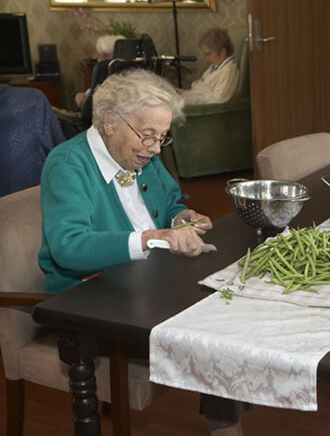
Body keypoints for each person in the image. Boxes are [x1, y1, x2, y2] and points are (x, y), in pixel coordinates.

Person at [39, 68, 248, 436]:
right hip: (89, 302)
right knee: (215, 334)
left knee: (231, 310)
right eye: (147, 135)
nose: (154, 148)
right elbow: (68, 247)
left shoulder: (142, 157)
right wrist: (155, 238)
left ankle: (226, 425)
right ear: (109, 122)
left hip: (146, 284)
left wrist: (182, 216)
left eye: (162, 138)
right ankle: (226, 430)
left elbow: (168, 203)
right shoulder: (68, 164)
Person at [179, 27, 239, 105]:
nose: (207, 59)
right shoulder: (215, 67)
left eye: (209, 54)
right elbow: (200, 89)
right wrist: (182, 93)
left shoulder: (229, 70)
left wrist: (186, 98)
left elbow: (219, 99)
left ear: (222, 52)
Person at [75, 34, 125, 110]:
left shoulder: (105, 71)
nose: (99, 60)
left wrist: (81, 99)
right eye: (99, 55)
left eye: (104, 55)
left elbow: (91, 106)